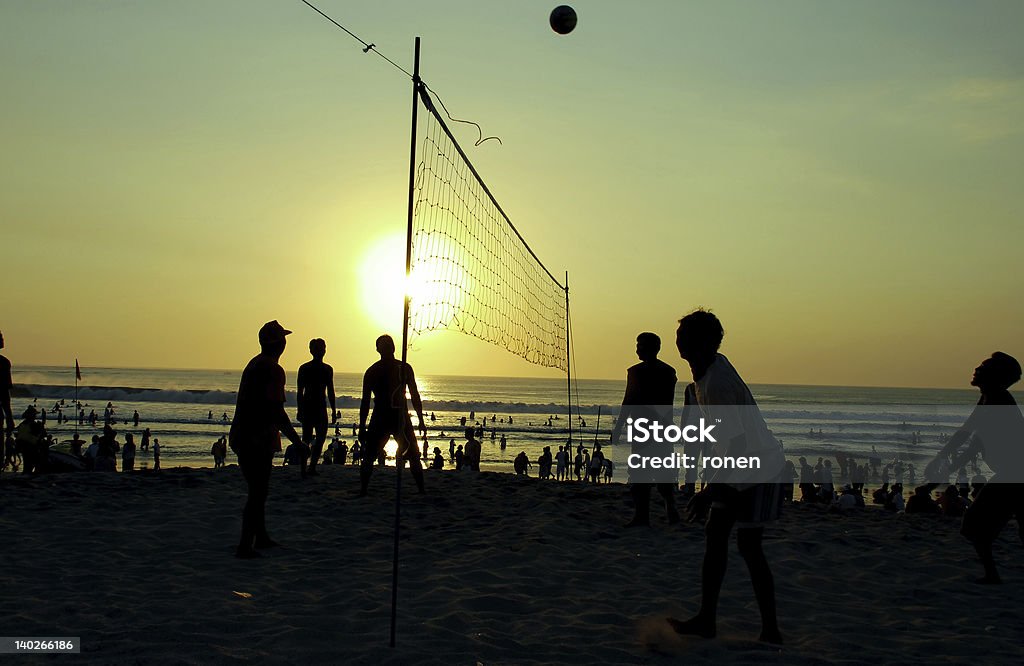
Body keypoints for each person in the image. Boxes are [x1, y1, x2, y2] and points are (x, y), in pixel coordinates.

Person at [667, 309, 785, 644]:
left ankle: (770, 630)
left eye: (685, 336)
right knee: (716, 535)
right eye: (680, 335)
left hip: (759, 467)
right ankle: (708, 620)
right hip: (745, 464)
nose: (679, 340)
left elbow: (737, 447)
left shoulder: (716, 383)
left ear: (703, 343)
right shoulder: (709, 371)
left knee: (748, 546)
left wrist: (707, 490)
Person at [924, 352, 1024, 583]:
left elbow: (968, 435)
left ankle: (992, 575)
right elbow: (973, 441)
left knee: (973, 526)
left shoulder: (999, 400)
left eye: (984, 367)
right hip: (1012, 474)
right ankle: (992, 575)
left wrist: (941, 460)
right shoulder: (990, 398)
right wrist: (942, 465)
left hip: (1014, 475)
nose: (977, 369)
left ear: (996, 376)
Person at [229, 320, 305, 558]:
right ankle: (245, 545)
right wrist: (297, 441)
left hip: (244, 434)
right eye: (283, 339)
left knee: (258, 489)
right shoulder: (272, 369)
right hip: (256, 437)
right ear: (279, 343)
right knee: (258, 491)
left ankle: (260, 536)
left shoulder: (255, 363)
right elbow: (276, 411)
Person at [610, 332, 680, 526]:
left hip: (648, 429)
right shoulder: (667, 371)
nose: (637, 349)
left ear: (653, 348)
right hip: (659, 428)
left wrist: (619, 427)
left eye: (641, 345)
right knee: (659, 472)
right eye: (637, 345)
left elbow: (629, 400)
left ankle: (647, 514)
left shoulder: (639, 372)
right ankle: (665, 508)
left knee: (644, 474)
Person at [357, 335, 426, 496]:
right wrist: (361, 427)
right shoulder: (373, 371)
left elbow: (415, 395)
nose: (387, 348)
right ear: (378, 349)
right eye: (385, 345)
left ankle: (421, 489)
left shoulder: (403, 368)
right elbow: (365, 402)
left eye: (388, 345)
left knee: (413, 453)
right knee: (370, 455)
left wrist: (421, 419)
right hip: (383, 416)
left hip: (398, 416)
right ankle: (363, 489)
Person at [296, 338, 338, 476]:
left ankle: (311, 467)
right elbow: (300, 391)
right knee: (308, 438)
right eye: (319, 348)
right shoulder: (305, 368)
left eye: (323, 348)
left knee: (318, 438)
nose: (322, 351)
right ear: (312, 350)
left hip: (319, 407)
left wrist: (333, 410)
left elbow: (330, 391)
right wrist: (300, 410)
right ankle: (305, 467)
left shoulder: (327, 369)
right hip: (312, 407)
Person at [0, 331, 14, 436]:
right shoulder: (3, 363)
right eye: (0, 338)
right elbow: (4, 393)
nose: (2, 340)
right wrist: (9, 417)